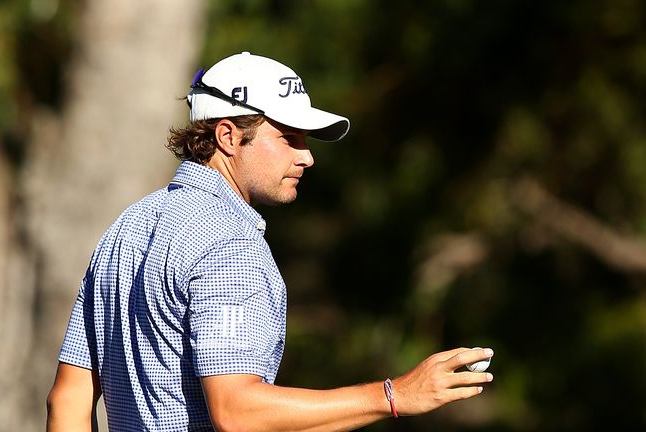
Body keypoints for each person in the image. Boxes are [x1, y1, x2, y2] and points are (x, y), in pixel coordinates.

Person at [46, 51, 494, 432]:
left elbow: (67, 400)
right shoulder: (228, 242)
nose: (308, 155)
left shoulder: (128, 226)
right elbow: (237, 411)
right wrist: (394, 395)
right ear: (227, 136)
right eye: (289, 137)